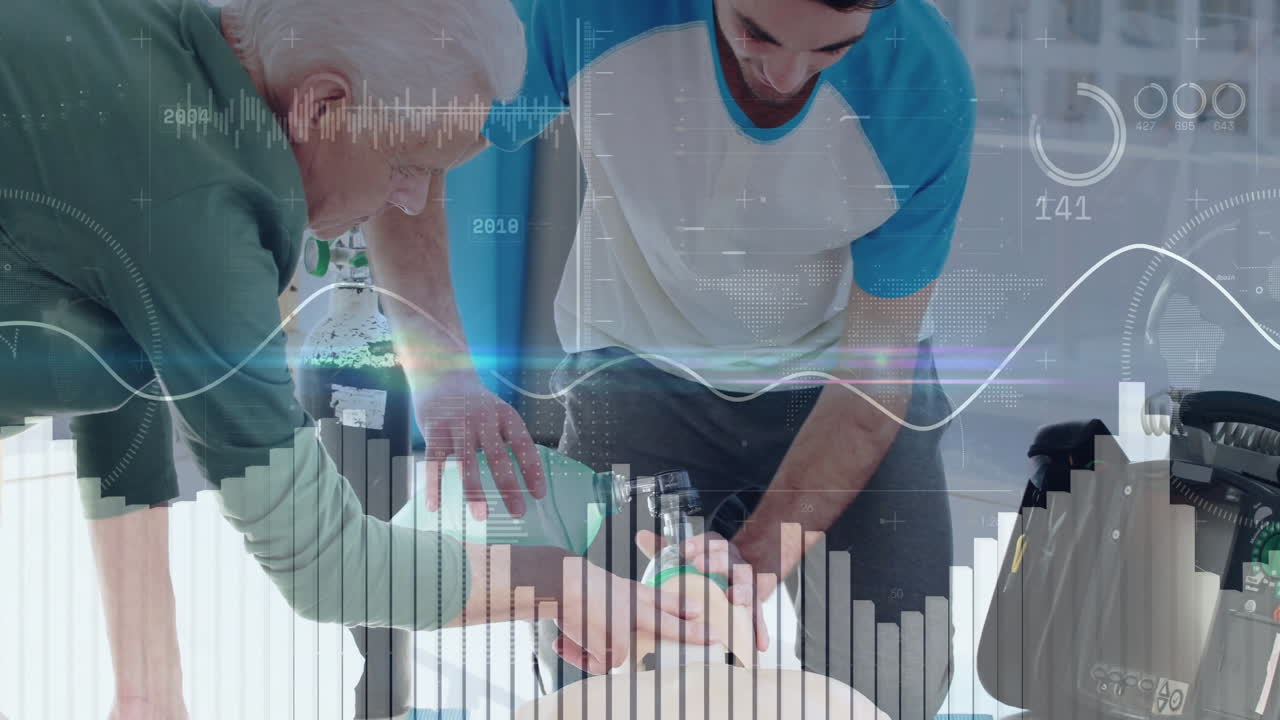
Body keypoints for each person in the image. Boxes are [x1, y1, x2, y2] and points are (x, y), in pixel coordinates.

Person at [0, 1, 720, 718]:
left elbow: (124, 359)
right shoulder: (201, 214)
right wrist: (564, 580)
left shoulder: (140, 39)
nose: (409, 202)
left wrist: (148, 694)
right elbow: (327, 568)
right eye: (406, 165)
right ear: (321, 105)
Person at [366, 0, 975, 716]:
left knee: (893, 684)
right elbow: (397, 148)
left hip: (842, 384)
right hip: (640, 362)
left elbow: (870, 384)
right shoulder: (583, 12)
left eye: (830, 51)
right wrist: (442, 377)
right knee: (598, 674)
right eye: (756, 33)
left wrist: (746, 570)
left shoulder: (926, 89)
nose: (785, 77)